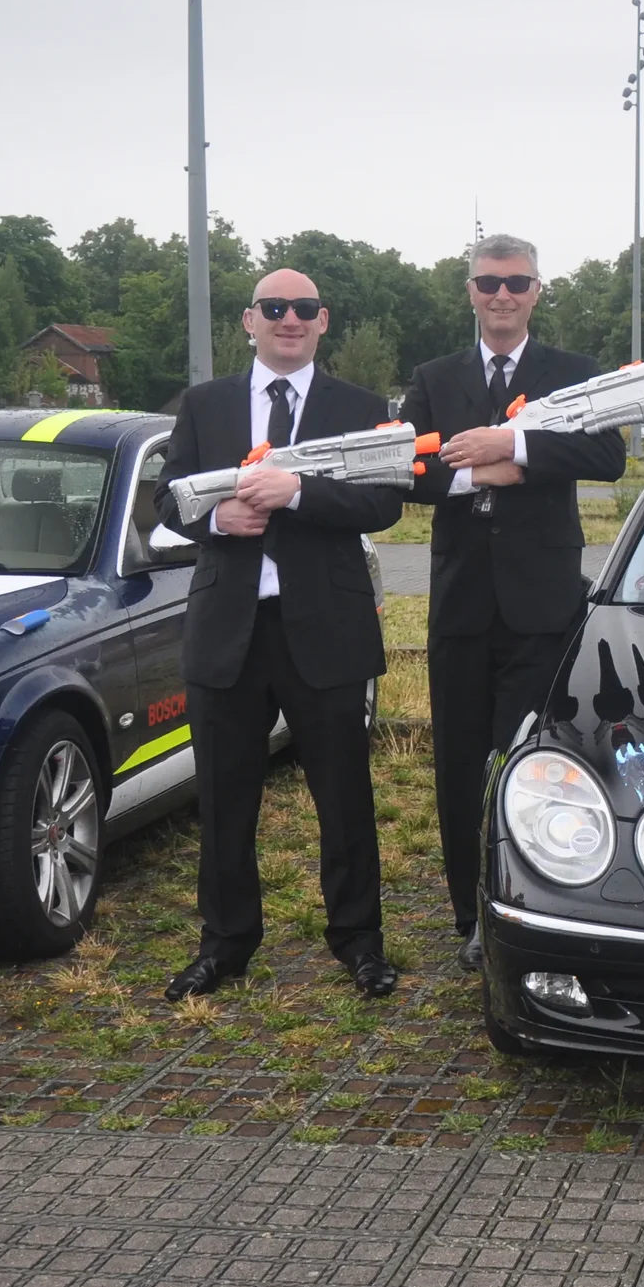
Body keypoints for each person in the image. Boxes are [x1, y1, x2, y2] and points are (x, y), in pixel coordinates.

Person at [156, 268, 404, 1001]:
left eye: (304, 309)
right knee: (224, 799)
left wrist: (298, 491)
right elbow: (169, 499)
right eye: (275, 308)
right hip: (227, 630)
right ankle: (226, 943)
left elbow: (385, 502)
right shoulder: (204, 405)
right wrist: (214, 518)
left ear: (323, 322)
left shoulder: (358, 407)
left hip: (325, 630)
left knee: (345, 797)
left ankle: (359, 941)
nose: (289, 319)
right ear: (249, 321)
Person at [399, 235, 627, 966]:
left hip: (541, 605)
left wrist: (516, 453)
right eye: (489, 283)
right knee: (461, 765)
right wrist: (476, 476)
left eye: (516, 283)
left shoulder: (571, 375)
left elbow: (606, 455)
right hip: (462, 604)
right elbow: (409, 470)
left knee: (530, 760)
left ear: (537, 290)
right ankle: (471, 912)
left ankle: (530, 901)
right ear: (469, 290)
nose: (502, 296)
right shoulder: (435, 378)